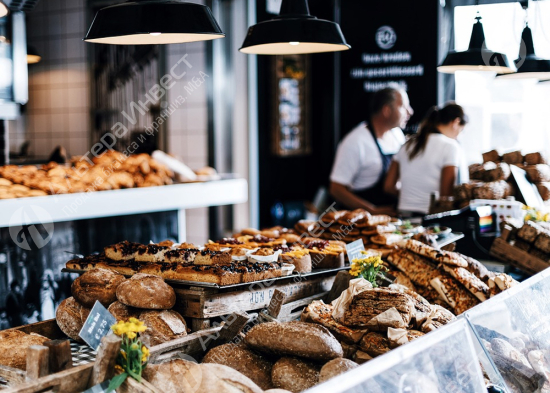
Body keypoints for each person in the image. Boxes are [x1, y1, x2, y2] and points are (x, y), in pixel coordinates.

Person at [329, 85, 414, 215]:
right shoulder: (356, 142)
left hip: (392, 218)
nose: (410, 112)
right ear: (386, 110)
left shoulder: (397, 135)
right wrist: (372, 211)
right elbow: (336, 189)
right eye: (403, 107)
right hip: (360, 222)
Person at [384, 102, 468, 216]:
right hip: (431, 218)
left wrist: (410, 196)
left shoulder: (407, 144)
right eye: (461, 130)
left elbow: (388, 186)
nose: (459, 135)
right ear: (456, 122)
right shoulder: (451, 146)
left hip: (403, 216)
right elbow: (446, 196)